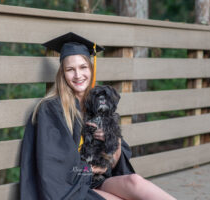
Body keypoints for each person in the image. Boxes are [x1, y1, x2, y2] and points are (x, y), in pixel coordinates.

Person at [20, 32, 176, 200]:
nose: (78, 75)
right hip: (69, 189)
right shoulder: (51, 109)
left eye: (83, 67)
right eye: (70, 69)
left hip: (95, 181)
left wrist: (113, 141)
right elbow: (53, 168)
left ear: (91, 69)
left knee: (134, 181)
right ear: (62, 74)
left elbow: (115, 164)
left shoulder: (98, 102)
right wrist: (92, 170)